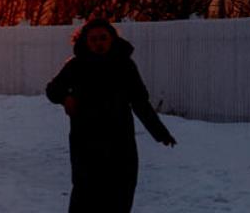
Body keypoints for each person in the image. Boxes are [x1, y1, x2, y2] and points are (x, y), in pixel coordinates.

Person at [45, 18, 177, 213]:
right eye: (93, 39)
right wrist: (66, 98)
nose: (99, 43)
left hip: (120, 141)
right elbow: (52, 90)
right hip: (86, 142)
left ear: (112, 39)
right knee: (85, 194)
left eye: (103, 38)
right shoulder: (76, 66)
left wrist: (160, 132)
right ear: (85, 42)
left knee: (121, 192)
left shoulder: (125, 66)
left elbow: (140, 101)